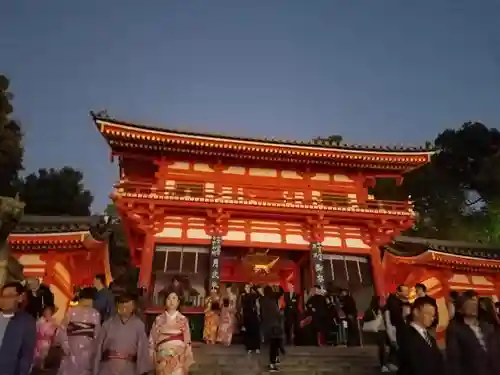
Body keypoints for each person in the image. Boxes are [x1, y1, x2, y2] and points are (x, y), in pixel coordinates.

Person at [93, 292, 152, 375]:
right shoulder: (107, 324)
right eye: (122, 305)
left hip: (129, 368)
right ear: (117, 306)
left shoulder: (139, 325)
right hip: (107, 367)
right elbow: (98, 348)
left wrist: (143, 372)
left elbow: (143, 351)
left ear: (133, 307)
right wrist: (95, 369)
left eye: (128, 306)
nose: (124, 308)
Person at [446, 293, 500, 375]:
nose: (473, 307)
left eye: (475, 304)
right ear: (460, 309)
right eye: (469, 304)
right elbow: (454, 358)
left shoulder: (487, 326)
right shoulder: (455, 329)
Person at [57, 287, 101, 375]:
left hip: (79, 348)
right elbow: (97, 334)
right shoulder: (94, 313)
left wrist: (66, 345)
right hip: (83, 348)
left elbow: (62, 329)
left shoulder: (72, 311)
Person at [149, 291, 194, 375]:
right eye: (168, 298)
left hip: (178, 355)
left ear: (178, 302)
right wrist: (152, 356)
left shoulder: (183, 319)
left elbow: (187, 341)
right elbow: (152, 340)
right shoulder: (158, 319)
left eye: (174, 298)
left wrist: (186, 356)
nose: (171, 301)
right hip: (162, 355)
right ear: (165, 301)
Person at [398, 297, 444, 375]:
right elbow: (414, 365)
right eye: (428, 314)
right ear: (416, 312)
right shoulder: (407, 336)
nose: (432, 318)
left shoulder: (430, 338)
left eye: (433, 315)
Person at [0, 281, 37, 375]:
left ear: (20, 297)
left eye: (10, 296)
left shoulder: (27, 322)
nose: (5, 299)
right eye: (3, 296)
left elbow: (26, 355)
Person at [384, 284, 408, 371]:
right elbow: (389, 317)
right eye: (404, 291)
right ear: (398, 292)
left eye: (407, 291)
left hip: (400, 329)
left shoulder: (403, 301)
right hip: (395, 329)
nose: (407, 293)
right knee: (395, 347)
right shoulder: (392, 302)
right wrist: (390, 329)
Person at [260, 286, 283, 372]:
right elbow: (281, 292)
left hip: (268, 326)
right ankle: (272, 364)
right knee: (274, 345)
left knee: (273, 345)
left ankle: (274, 362)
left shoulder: (264, 301)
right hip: (274, 327)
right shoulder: (272, 301)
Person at [362, 296, 388, 373]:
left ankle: (384, 364)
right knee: (382, 348)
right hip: (378, 330)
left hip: (381, 330)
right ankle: (383, 364)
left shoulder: (380, 309)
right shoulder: (371, 310)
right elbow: (365, 319)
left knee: (382, 348)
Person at [33, 304, 59, 371]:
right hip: (40, 340)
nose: (47, 313)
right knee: (38, 353)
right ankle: (36, 365)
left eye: (49, 312)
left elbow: (55, 330)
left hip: (47, 340)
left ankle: (41, 365)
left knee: (44, 354)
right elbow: (37, 329)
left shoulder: (53, 320)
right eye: (46, 311)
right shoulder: (40, 320)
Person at [240, 284, 261, 354]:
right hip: (246, 315)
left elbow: (259, 294)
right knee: (248, 332)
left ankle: (257, 347)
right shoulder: (243, 296)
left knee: (255, 331)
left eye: (248, 287)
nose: (246, 288)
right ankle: (249, 347)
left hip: (253, 315)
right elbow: (242, 306)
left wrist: (254, 286)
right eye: (245, 287)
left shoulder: (253, 295)